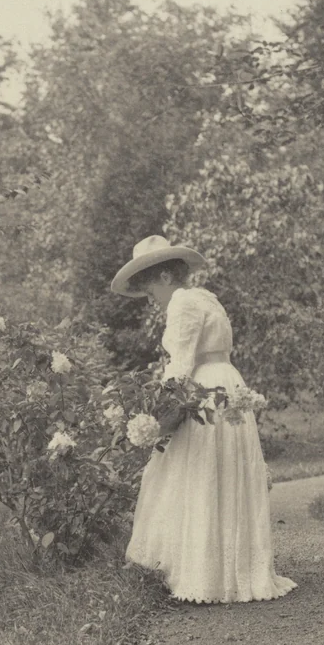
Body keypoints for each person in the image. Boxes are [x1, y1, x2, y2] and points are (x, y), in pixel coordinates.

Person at [111, 235, 297, 604]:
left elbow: (180, 365)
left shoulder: (181, 302)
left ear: (165, 277)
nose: (149, 298)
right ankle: (228, 569)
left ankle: (201, 573)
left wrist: (158, 410)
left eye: (149, 287)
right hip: (227, 386)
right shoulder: (205, 297)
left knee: (191, 472)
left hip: (205, 393)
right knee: (217, 472)